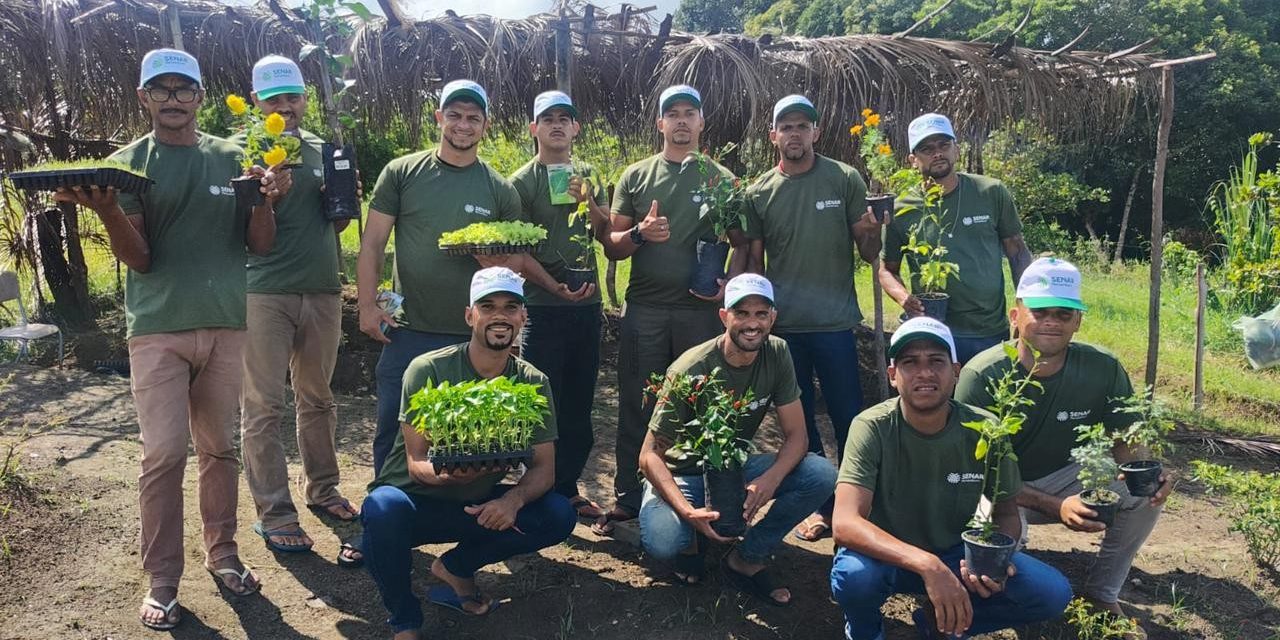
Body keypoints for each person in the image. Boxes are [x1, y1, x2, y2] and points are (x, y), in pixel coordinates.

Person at [55, 48, 290, 630]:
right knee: (162, 455)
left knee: (219, 449)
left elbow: (260, 245)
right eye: (161, 90)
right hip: (158, 332)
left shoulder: (236, 157)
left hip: (226, 326)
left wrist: (265, 200)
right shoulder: (125, 168)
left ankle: (224, 553)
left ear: (200, 97)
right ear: (144, 98)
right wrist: (108, 211)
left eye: (184, 89)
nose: (174, 99)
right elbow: (140, 259)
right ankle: (162, 579)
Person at [357, 80, 564, 475]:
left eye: (473, 118)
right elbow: (372, 244)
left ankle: (468, 511)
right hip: (409, 328)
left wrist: (495, 264)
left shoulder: (499, 188)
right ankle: (384, 513)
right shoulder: (402, 173)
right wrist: (367, 306)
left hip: (471, 336)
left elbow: (514, 261)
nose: (463, 125)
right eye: (454, 115)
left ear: (485, 126)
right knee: (395, 429)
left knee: (473, 434)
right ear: (439, 118)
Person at [361, 267, 576, 640]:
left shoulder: (532, 382)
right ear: (469, 315)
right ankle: (404, 620)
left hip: (475, 508)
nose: (500, 315)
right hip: (415, 503)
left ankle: (455, 567)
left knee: (557, 514)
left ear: (523, 317)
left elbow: (544, 470)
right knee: (382, 510)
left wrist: (512, 499)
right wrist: (449, 474)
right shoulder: (428, 370)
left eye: (511, 307)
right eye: (488, 306)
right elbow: (416, 463)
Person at [955, 257, 1170, 630]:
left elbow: (1125, 444)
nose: (1052, 321)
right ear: (1015, 315)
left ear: (1078, 321)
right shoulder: (983, 374)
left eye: (1064, 313)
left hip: (1063, 475)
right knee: (996, 544)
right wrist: (1056, 506)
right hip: (994, 490)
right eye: (1039, 312)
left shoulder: (1103, 368)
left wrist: (1148, 470)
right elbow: (973, 471)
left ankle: (1102, 594)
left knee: (1140, 495)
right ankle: (1002, 604)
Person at [830, 317, 1072, 640]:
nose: (925, 373)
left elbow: (1005, 513)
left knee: (1052, 592)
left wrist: (993, 565)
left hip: (957, 558)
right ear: (892, 376)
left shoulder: (986, 429)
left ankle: (941, 623)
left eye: (936, 362)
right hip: (884, 557)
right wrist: (927, 565)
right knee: (854, 577)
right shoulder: (872, 427)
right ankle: (865, 631)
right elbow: (845, 522)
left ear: (956, 372)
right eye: (910, 363)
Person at [593, 84, 749, 535]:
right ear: (660, 123)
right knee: (638, 401)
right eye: (673, 114)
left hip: (699, 314)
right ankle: (627, 495)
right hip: (645, 309)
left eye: (690, 113)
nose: (681, 121)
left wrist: (726, 286)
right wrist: (640, 233)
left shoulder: (721, 179)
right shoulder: (637, 176)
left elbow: (740, 244)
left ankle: (694, 497)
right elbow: (613, 247)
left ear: (701, 123)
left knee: (698, 404)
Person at [638, 274, 837, 606]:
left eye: (761, 314)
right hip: (681, 473)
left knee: (820, 475)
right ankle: (690, 540)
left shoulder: (777, 352)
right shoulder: (691, 369)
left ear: (773, 317)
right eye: (741, 313)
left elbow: (797, 436)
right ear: (724, 316)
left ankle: (747, 556)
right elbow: (648, 456)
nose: (752, 323)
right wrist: (688, 512)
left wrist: (768, 482)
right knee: (663, 538)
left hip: (731, 467)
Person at [739, 94, 884, 542]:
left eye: (803, 126)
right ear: (773, 136)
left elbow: (867, 250)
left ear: (816, 132)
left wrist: (874, 233)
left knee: (850, 418)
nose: (794, 134)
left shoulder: (843, 179)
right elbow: (756, 265)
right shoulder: (760, 192)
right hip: (784, 330)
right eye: (786, 126)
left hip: (836, 323)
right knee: (797, 423)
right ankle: (822, 507)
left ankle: (860, 507)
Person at [234, 55, 357, 554]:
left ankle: (323, 488)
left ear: (304, 99)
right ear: (258, 102)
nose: (286, 106)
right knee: (263, 406)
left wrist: (340, 199)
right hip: (264, 291)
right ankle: (274, 511)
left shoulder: (323, 151)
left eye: (293, 97)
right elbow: (236, 229)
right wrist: (268, 196)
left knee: (318, 397)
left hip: (322, 290)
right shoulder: (246, 152)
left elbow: (338, 225)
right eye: (274, 98)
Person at [509, 90, 612, 519]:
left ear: (575, 128)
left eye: (564, 118)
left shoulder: (588, 173)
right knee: (539, 403)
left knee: (577, 404)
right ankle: (532, 487)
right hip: (542, 309)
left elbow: (607, 234)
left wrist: (586, 202)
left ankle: (566, 487)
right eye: (547, 118)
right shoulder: (520, 182)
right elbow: (516, 247)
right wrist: (552, 286)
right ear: (534, 128)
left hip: (586, 309)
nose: (556, 125)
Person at [878, 113, 1032, 363]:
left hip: (988, 328)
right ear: (913, 160)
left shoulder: (990, 192)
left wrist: (1025, 308)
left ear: (956, 150)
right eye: (927, 149)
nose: (937, 153)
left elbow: (1017, 251)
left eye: (944, 145)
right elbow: (886, 270)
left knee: (990, 398)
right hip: (933, 330)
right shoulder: (901, 208)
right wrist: (904, 298)